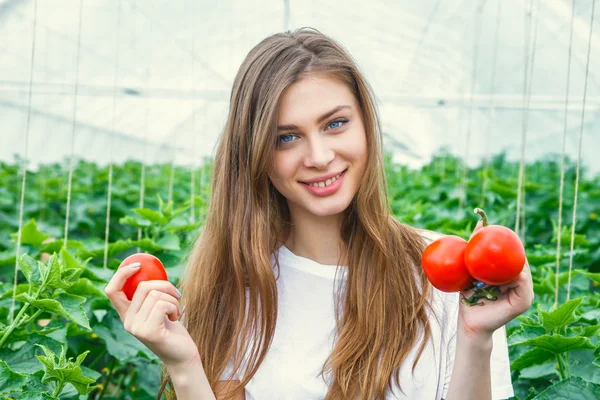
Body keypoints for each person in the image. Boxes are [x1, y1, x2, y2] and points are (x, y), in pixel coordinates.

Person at [105, 27, 534, 400]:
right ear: (255, 155)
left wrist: (477, 337)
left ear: (366, 123)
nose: (320, 156)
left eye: (335, 124)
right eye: (287, 137)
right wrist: (183, 364)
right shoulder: (236, 284)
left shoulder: (443, 272)